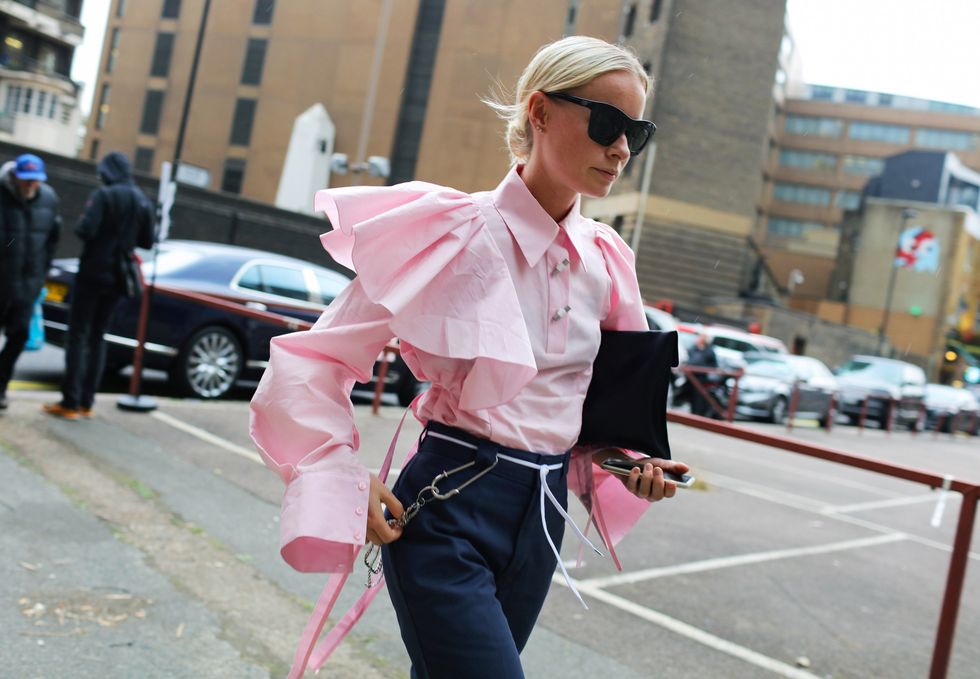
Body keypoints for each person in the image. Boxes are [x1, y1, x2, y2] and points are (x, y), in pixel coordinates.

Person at [250, 36, 689, 679]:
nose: (621, 149)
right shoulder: (450, 232)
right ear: (539, 113)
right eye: (607, 123)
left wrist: (631, 461)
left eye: (637, 132)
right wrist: (338, 472)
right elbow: (313, 359)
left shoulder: (608, 259)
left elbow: (608, 407)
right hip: (449, 505)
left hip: (543, 520)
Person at [43, 152, 154, 420]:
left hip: (93, 272)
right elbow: (147, 241)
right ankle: (86, 402)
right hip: (119, 278)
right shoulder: (142, 200)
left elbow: (85, 230)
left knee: (78, 335)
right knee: (98, 336)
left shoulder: (104, 195)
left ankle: (70, 401)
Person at [0, 153, 62, 410]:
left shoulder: (48, 199)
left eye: (35, 180)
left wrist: (41, 272)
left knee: (19, 336)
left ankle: (0, 387)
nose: (30, 185)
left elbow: (52, 239)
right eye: (26, 180)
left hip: (27, 285)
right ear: (15, 176)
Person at [686, 332, 720, 417]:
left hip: (702, 378)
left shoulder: (709, 350)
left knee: (700, 397)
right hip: (691, 377)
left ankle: (697, 415)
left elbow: (714, 366)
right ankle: (693, 413)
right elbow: (689, 359)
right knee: (691, 396)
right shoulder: (694, 348)